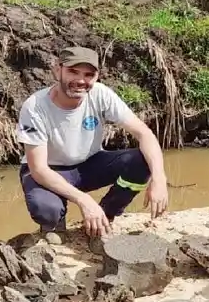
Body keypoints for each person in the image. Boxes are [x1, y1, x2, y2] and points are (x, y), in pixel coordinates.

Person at [16, 46, 170, 238]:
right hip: (48, 170)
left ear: (96, 77)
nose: (81, 81)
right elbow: (38, 169)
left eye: (89, 75)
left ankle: (105, 216)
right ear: (57, 70)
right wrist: (84, 200)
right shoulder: (35, 107)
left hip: (88, 165)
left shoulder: (100, 95)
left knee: (141, 162)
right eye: (73, 72)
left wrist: (159, 178)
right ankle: (55, 227)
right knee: (46, 209)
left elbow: (144, 134)